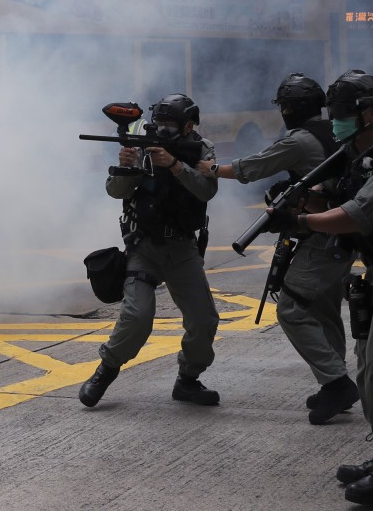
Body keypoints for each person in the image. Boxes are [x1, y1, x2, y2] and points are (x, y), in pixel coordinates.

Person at [269, 71, 373, 506]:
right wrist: (301, 197)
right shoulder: (359, 153)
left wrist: (300, 221)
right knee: (367, 363)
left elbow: (357, 213)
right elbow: (338, 194)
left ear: (372, 114)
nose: (337, 122)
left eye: (343, 115)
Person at [196, 73, 358, 425]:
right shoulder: (337, 131)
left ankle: (336, 382)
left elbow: (254, 166)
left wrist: (210, 168)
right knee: (324, 309)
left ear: (289, 108)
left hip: (320, 234)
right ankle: (333, 383)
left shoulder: (300, 141)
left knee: (292, 308)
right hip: (344, 234)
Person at [79, 93, 221, 408]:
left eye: (172, 125)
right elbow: (116, 192)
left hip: (183, 248)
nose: (164, 130)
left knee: (203, 319)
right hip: (144, 246)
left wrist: (174, 165)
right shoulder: (142, 144)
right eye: (160, 124)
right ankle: (106, 370)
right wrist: (124, 167)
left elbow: (206, 189)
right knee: (137, 315)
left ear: (188, 126)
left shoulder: (202, 148)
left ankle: (188, 379)